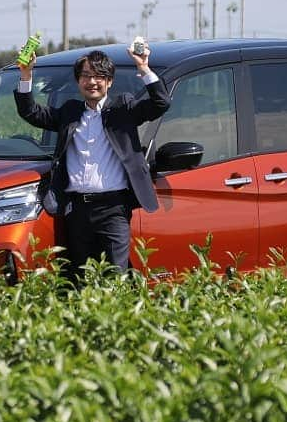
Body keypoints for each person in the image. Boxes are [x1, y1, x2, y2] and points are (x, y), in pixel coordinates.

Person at [14, 45, 170, 278]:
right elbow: (32, 113)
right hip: (76, 210)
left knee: (115, 274)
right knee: (80, 275)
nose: (92, 81)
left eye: (99, 76)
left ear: (109, 82)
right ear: (78, 82)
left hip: (114, 208)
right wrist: (26, 75)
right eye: (86, 76)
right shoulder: (70, 112)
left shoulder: (123, 108)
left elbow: (160, 103)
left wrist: (143, 67)